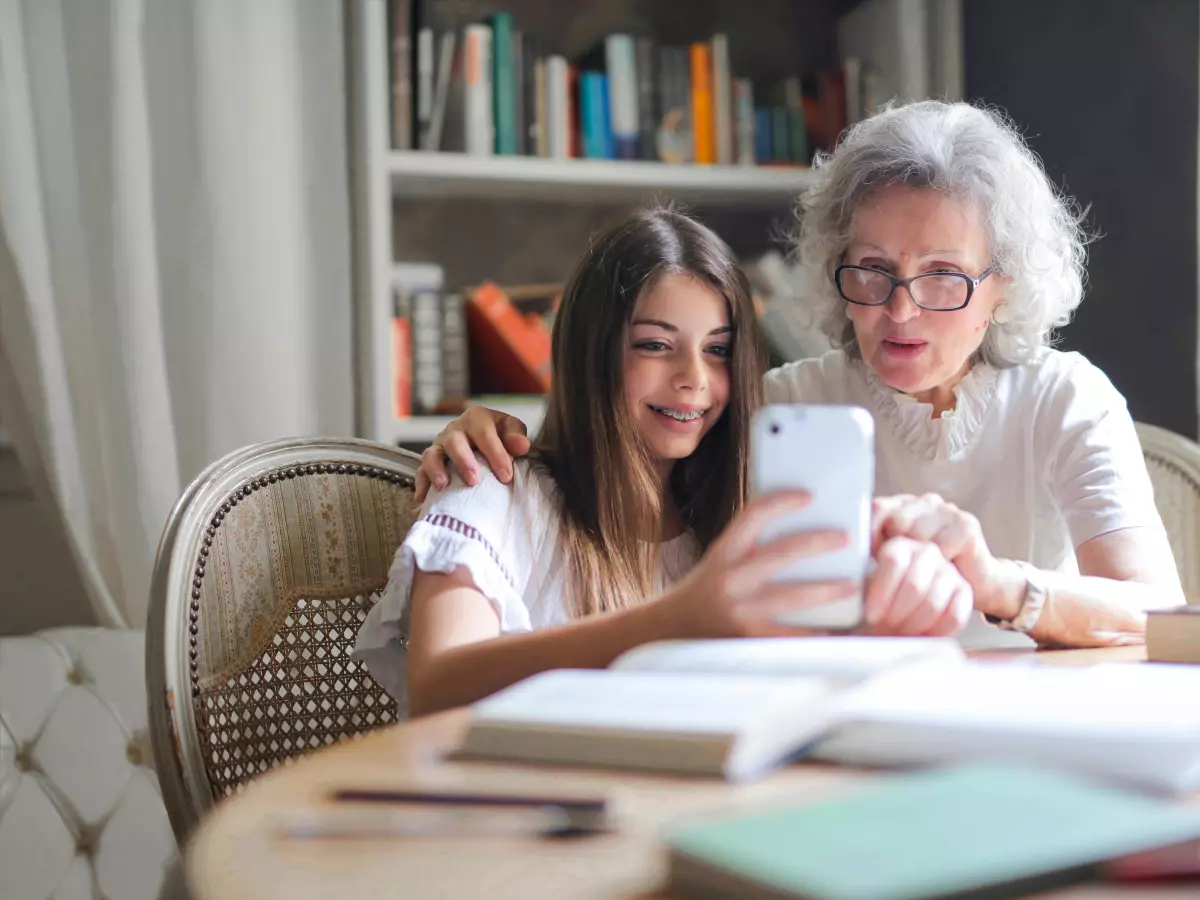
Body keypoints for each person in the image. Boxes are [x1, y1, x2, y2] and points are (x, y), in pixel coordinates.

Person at [415, 101, 1183, 650]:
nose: (901, 311)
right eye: (873, 271)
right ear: (833, 265)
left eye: (944, 277)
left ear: (1003, 287)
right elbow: (624, 460)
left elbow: (1159, 614)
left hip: (1034, 730)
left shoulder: (1064, 396)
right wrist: (489, 432)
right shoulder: (779, 407)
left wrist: (997, 584)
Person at [355, 208, 973, 717]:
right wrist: (678, 620)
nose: (693, 381)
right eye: (655, 346)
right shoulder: (491, 487)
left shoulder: (737, 518)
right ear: (591, 352)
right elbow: (436, 686)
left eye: (718, 351)